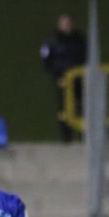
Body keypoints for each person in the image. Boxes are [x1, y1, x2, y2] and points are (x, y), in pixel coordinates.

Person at [39, 14, 86, 143]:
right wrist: (55, 73)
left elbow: (86, 55)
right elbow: (45, 59)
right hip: (62, 80)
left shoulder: (79, 39)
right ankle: (66, 138)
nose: (67, 27)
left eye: (69, 24)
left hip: (78, 79)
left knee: (82, 106)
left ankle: (84, 135)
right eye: (65, 24)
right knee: (63, 110)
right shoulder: (51, 41)